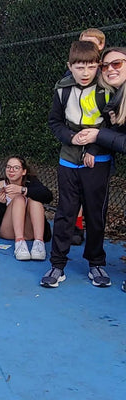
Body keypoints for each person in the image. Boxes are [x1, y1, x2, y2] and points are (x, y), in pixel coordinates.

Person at [41, 40, 112, 288]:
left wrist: (93, 147)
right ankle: (57, 265)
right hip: (68, 161)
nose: (85, 72)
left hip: (98, 161)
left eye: (91, 66)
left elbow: (111, 126)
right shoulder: (62, 90)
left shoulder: (106, 90)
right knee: (65, 213)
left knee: (95, 214)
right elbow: (55, 122)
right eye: (79, 67)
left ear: (98, 67)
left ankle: (96, 264)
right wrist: (71, 137)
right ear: (69, 66)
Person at [75, 46, 126, 293]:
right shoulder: (117, 96)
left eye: (117, 64)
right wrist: (95, 147)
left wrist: (97, 134)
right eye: (106, 66)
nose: (110, 69)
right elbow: (116, 133)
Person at [71, 28, 107, 245]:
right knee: (74, 190)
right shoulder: (69, 80)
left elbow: (109, 121)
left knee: (94, 195)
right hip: (75, 143)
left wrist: (95, 146)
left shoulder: (107, 78)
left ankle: (96, 252)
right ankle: (76, 226)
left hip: (101, 145)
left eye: (92, 44)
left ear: (101, 47)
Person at [0, 156, 53, 261]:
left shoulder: (31, 182)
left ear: (23, 171)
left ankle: (39, 244)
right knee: (19, 199)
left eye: (16, 168)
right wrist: (0, 204)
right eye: (8, 167)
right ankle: (19, 243)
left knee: (34, 199)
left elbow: (48, 196)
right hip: (8, 230)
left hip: (29, 230)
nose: (11, 170)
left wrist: (23, 190)